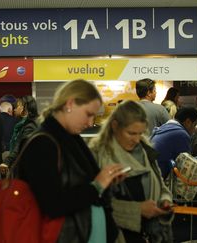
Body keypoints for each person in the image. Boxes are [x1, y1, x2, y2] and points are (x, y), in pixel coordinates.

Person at [14, 79, 123, 242]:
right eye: (88, 114)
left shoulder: (70, 138)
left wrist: (106, 183)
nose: (90, 122)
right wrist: (97, 185)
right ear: (70, 104)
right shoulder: (43, 143)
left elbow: (81, 185)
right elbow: (52, 204)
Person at [89, 100, 173, 243]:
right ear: (115, 126)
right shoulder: (98, 155)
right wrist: (137, 210)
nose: (136, 139)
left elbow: (161, 185)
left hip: (153, 234)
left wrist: (165, 201)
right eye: (131, 133)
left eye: (140, 133)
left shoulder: (146, 150)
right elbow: (92, 205)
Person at [151, 107, 197, 179]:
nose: (195, 130)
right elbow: (188, 167)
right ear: (188, 122)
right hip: (159, 180)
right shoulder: (181, 134)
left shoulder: (166, 128)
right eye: (195, 125)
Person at [0, 95, 39, 175]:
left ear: (25, 108)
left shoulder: (29, 126)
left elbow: (20, 146)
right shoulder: (23, 124)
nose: (14, 109)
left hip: (26, 167)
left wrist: (7, 161)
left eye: (18, 106)